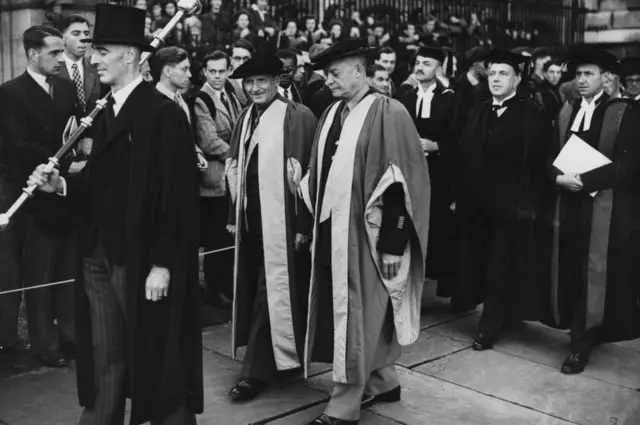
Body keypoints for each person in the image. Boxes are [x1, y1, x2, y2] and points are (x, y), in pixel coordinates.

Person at [27, 5, 202, 424]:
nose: (94, 58)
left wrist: (161, 263)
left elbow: (176, 198)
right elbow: (101, 183)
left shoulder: (163, 114)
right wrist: (62, 185)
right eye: (93, 50)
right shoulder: (106, 112)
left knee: (157, 356)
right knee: (106, 355)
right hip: (97, 257)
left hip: (142, 260)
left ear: (131, 56)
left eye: (103, 50)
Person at [300, 38, 431, 425]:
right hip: (335, 233)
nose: (329, 81)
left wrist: (394, 243)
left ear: (360, 70)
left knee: (359, 317)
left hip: (369, 239)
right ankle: (384, 380)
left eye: (335, 73)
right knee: (364, 314)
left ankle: (343, 406)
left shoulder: (389, 113)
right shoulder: (331, 113)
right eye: (326, 75)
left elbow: (402, 184)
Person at [225, 53, 317, 402]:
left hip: (285, 223)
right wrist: (234, 216)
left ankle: (256, 371)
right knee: (257, 289)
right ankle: (278, 360)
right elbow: (235, 168)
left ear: (279, 81)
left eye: (262, 80)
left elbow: (310, 177)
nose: (255, 88)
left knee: (272, 291)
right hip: (253, 221)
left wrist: (304, 225)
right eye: (248, 82)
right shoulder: (246, 117)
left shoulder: (299, 116)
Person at [545, 49, 640, 374]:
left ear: (605, 78)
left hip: (604, 208)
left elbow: (628, 164)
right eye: (578, 75)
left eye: (589, 74)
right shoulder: (567, 110)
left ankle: (580, 345)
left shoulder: (623, 112)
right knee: (571, 268)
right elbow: (549, 154)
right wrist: (557, 177)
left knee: (594, 273)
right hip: (568, 204)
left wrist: (584, 181)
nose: (581, 80)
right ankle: (582, 329)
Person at [452, 50, 549, 351]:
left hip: (509, 205)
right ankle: (496, 312)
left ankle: (489, 326)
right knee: (478, 261)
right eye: (492, 73)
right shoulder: (478, 110)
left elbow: (536, 163)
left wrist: (529, 204)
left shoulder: (531, 113)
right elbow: (464, 154)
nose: (495, 78)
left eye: (503, 73)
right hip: (476, 204)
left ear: (518, 79)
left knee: (499, 265)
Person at [0, 25, 80, 367]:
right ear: (33, 54)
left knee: (64, 268)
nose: (60, 59)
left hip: (60, 191)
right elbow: (15, 145)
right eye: (53, 52)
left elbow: (75, 132)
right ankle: (44, 343)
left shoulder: (65, 88)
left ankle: (70, 336)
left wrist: (71, 165)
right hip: (26, 193)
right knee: (37, 271)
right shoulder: (9, 93)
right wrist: (56, 162)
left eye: (62, 52)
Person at [396, 47, 458, 297]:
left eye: (428, 63)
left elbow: (459, 137)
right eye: (418, 62)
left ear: (439, 69)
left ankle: (427, 280)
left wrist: (437, 146)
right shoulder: (405, 96)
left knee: (434, 227)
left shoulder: (450, 99)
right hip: (408, 172)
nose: (420, 67)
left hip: (437, 174)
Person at [192, 50, 242, 308]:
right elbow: (209, 141)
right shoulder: (202, 99)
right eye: (212, 71)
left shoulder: (231, 94)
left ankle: (225, 287)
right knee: (216, 237)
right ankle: (215, 290)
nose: (217, 76)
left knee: (227, 237)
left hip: (230, 175)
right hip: (215, 180)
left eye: (222, 71)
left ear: (229, 71)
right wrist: (239, 156)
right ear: (204, 71)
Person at [538, 59, 565, 125]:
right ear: (545, 74)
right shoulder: (541, 91)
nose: (555, 76)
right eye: (551, 72)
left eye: (558, 72)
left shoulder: (561, 88)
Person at [229, 39, 254, 106]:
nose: (241, 63)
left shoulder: (259, 82)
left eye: (246, 59)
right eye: (237, 58)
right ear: (231, 60)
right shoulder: (224, 83)